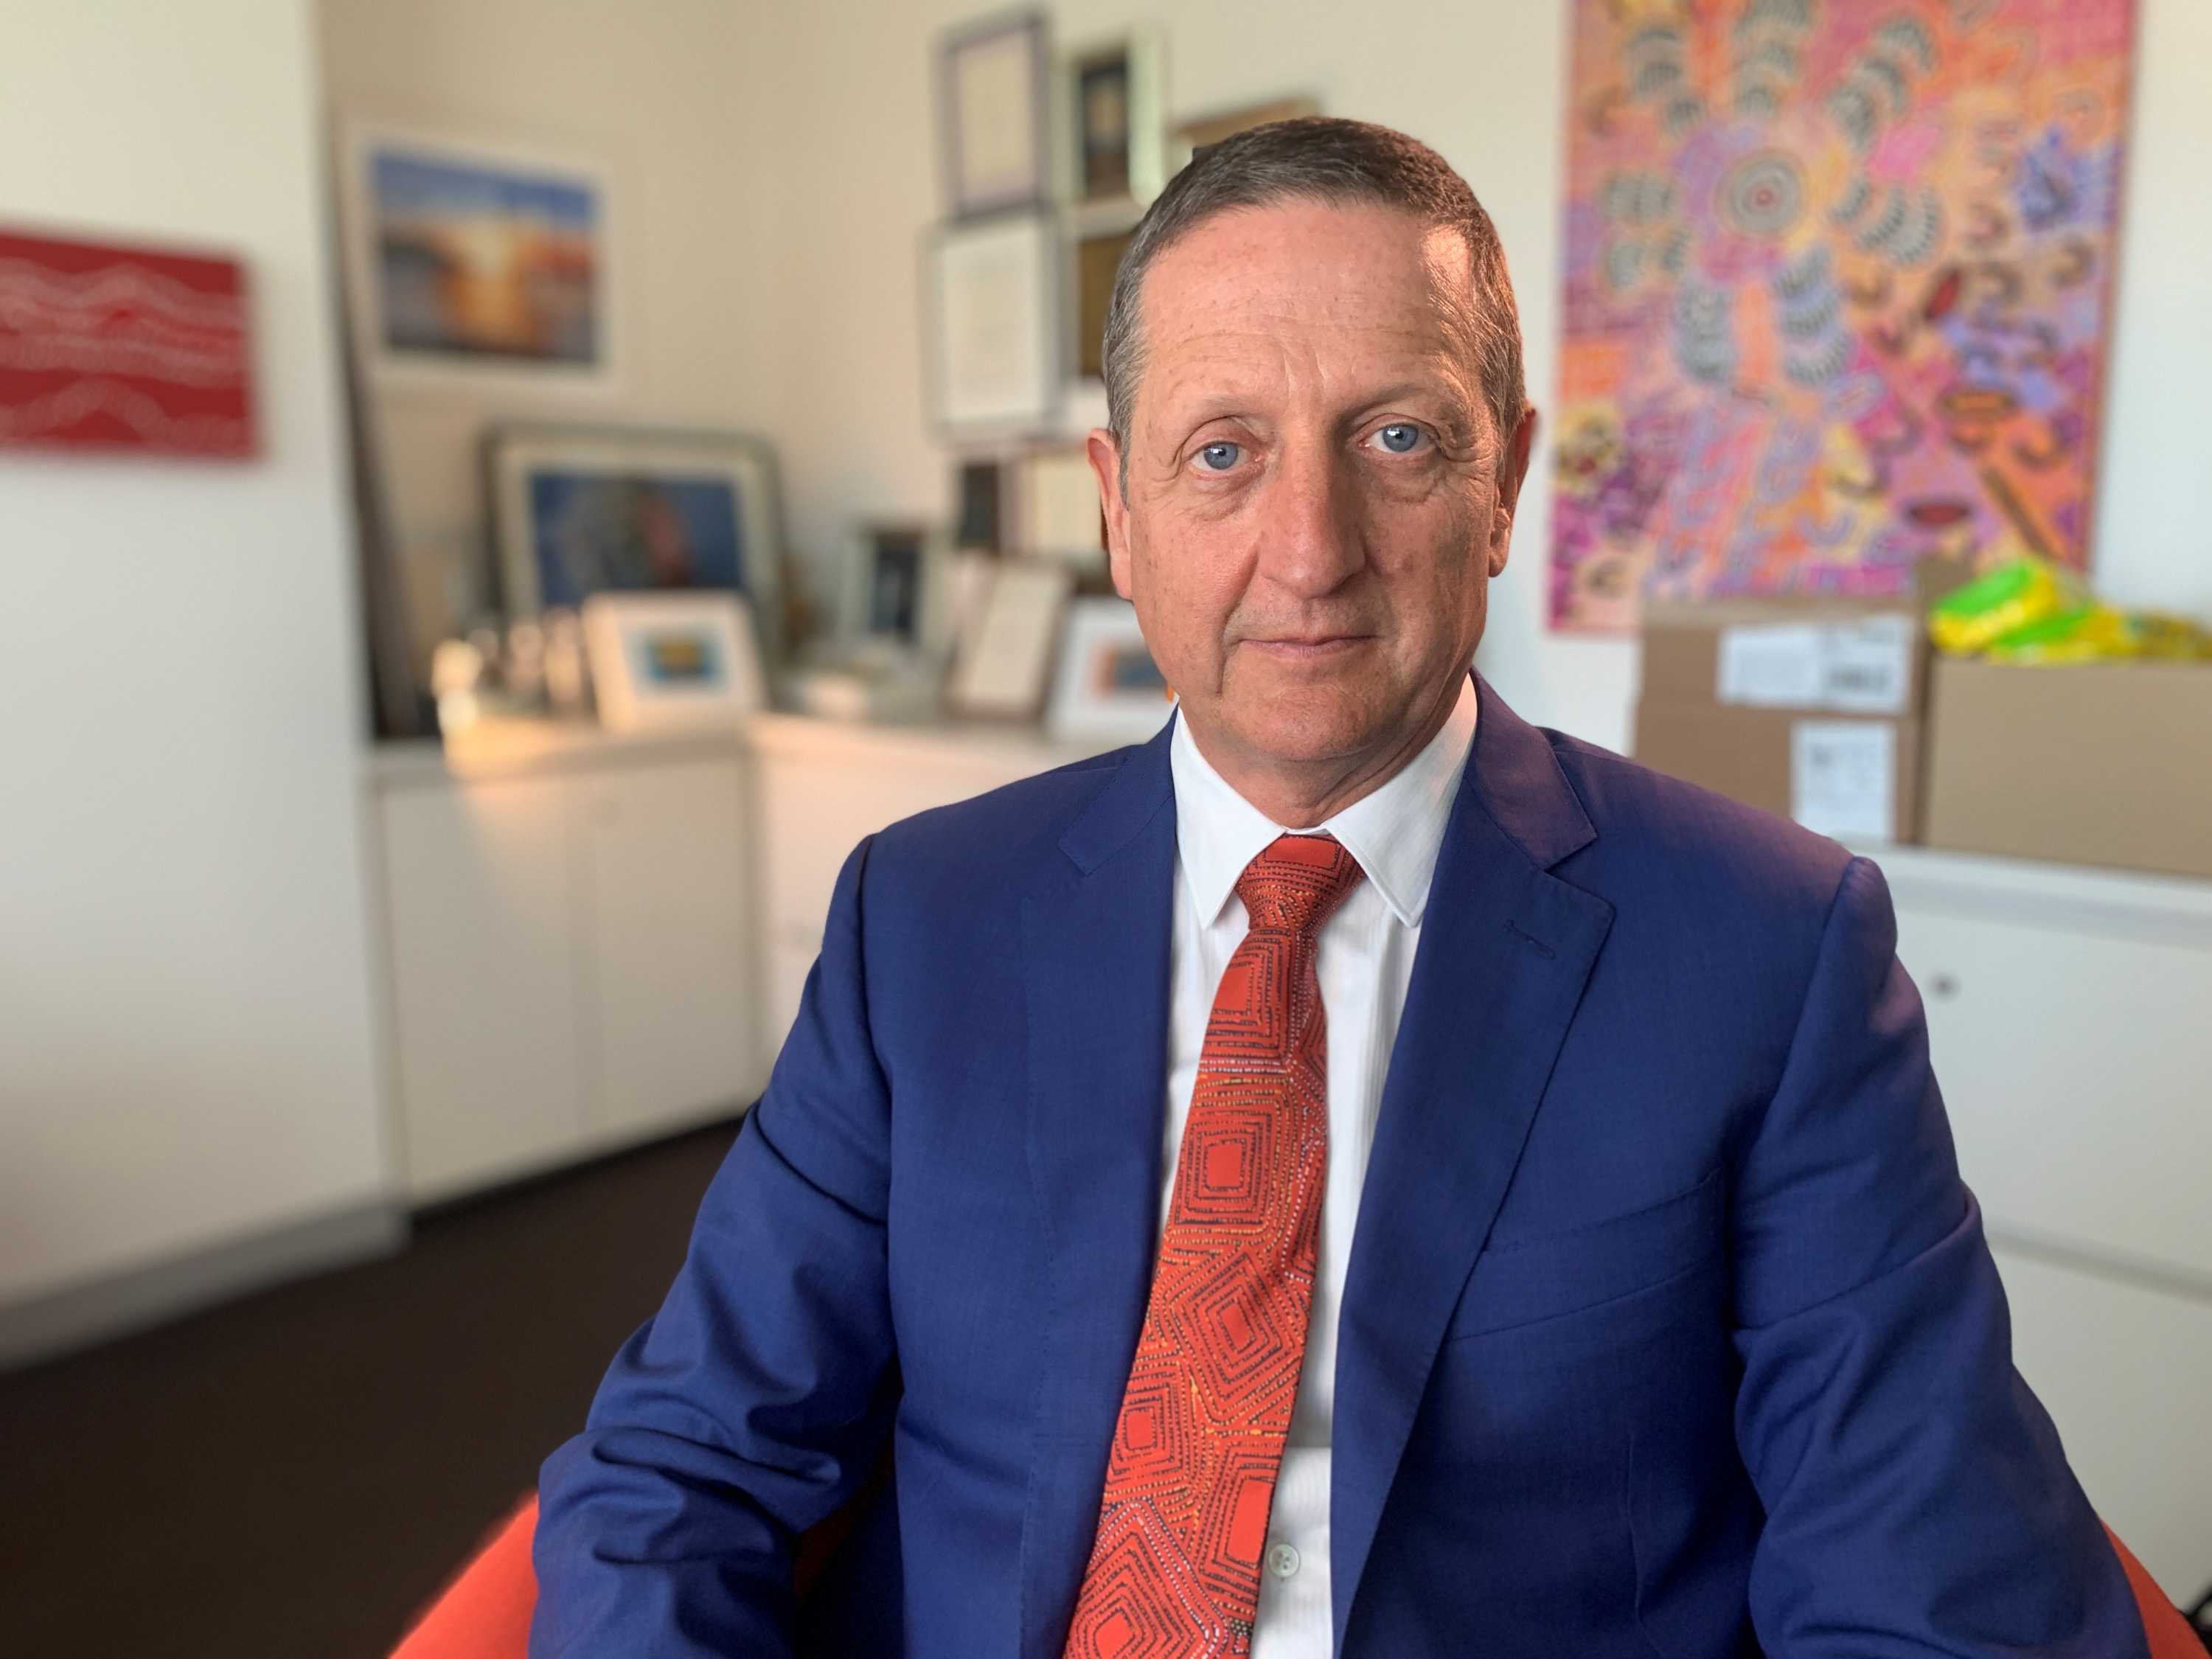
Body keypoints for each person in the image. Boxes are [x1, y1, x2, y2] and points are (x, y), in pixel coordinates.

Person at [530, 118, 2146, 1658]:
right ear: (1118, 509)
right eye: (1222, 452)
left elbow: (1935, 1591)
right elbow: (682, 1464)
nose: (1311, 551)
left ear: (1504, 483)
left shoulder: (1769, 954)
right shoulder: (924, 921)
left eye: (1398, 439)